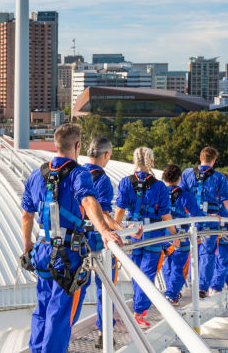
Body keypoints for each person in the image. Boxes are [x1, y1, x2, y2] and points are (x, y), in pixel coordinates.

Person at [20, 124, 122, 353]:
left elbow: (27, 215)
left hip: (42, 251)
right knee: (60, 315)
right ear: (77, 146)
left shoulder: (37, 175)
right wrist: (104, 231)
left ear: (55, 145)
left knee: (43, 309)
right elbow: (88, 201)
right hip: (68, 257)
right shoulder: (79, 174)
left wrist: (28, 245)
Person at [113, 147, 177, 328]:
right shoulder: (159, 187)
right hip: (152, 233)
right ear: (151, 162)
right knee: (148, 272)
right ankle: (139, 312)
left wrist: (117, 233)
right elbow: (165, 215)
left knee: (136, 271)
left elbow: (119, 211)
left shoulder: (126, 183)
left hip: (133, 232)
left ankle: (138, 309)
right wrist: (174, 235)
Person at [82, 136, 125, 347]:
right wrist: (123, 230)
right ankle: (104, 333)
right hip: (98, 240)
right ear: (106, 155)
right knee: (106, 288)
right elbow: (104, 214)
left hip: (76, 241)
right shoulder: (102, 180)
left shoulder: (76, 173)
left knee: (74, 291)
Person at [181, 146, 228, 298]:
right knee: (207, 253)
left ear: (200, 158)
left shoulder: (187, 173)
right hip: (209, 219)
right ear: (214, 160)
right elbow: (226, 199)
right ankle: (201, 288)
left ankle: (183, 286)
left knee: (188, 250)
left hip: (191, 218)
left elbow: (179, 194)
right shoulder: (219, 178)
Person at [160, 164, 204, 306]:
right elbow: (197, 216)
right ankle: (171, 295)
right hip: (181, 235)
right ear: (179, 178)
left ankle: (171, 292)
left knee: (167, 265)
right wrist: (199, 232)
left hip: (163, 236)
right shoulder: (185, 196)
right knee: (179, 267)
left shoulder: (158, 194)